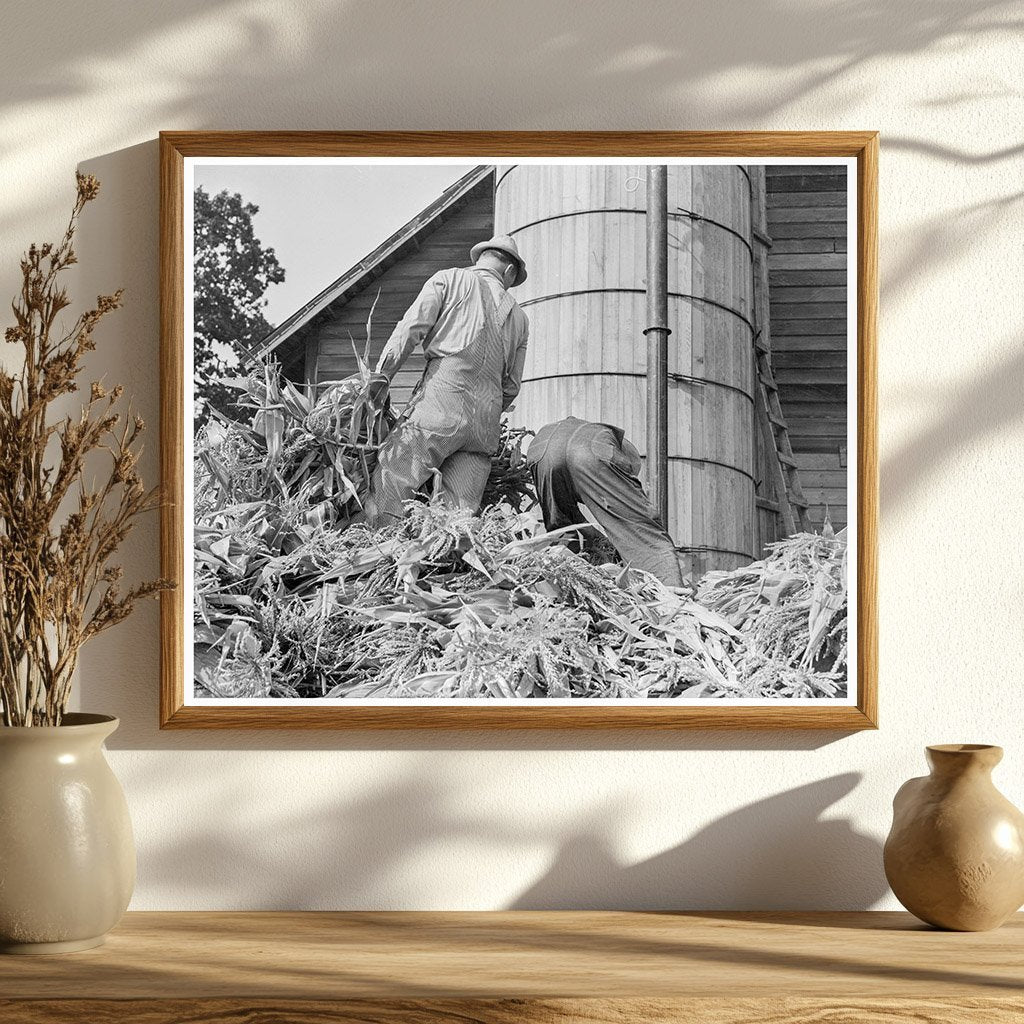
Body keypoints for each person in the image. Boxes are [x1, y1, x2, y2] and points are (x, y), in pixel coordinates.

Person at [365, 234, 529, 526]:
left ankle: (378, 553)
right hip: (483, 427)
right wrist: (486, 411)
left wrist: (379, 381)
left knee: (392, 482)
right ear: (509, 272)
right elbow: (512, 387)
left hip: (440, 405)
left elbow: (408, 332)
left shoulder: (449, 280)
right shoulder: (520, 317)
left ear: (480, 259)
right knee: (455, 524)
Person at [526, 416, 684, 588]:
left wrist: (598, 538)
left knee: (560, 532)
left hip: (542, 448)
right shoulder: (616, 451)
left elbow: (571, 519)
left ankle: (560, 586)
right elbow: (629, 521)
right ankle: (671, 594)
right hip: (590, 449)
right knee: (642, 532)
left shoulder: (578, 437)